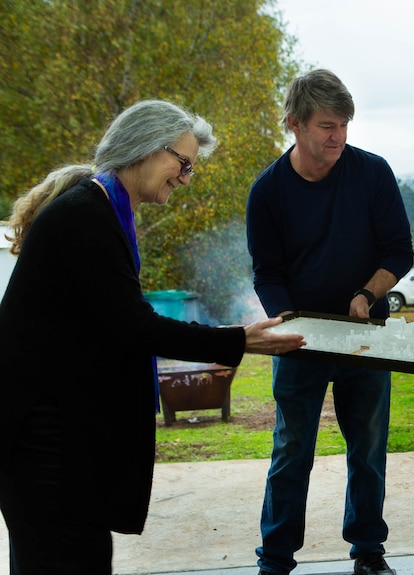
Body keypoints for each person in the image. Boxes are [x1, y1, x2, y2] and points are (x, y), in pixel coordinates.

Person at [0, 100, 307, 574]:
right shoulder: (86, 214)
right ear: (143, 148)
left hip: (62, 439)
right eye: (182, 163)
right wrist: (237, 340)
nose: (185, 177)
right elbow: (135, 325)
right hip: (45, 445)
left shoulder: (101, 208)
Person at [246, 69, 414, 575]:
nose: (337, 135)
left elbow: (399, 251)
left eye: (343, 124)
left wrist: (366, 294)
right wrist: (289, 322)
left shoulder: (372, 173)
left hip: (365, 336)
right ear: (294, 124)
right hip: (300, 339)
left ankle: (368, 553)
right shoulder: (268, 192)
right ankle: (275, 560)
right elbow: (268, 274)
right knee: (291, 451)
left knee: (368, 448)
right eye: (325, 125)